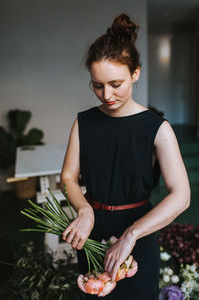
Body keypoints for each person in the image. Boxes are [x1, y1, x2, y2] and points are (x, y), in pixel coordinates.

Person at [60, 13, 190, 300]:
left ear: (136, 73)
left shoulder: (158, 129)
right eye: (97, 85)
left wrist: (131, 235)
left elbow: (181, 196)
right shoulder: (83, 122)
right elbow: (68, 176)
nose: (106, 95)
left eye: (116, 84)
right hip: (92, 230)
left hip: (138, 233)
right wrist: (84, 210)